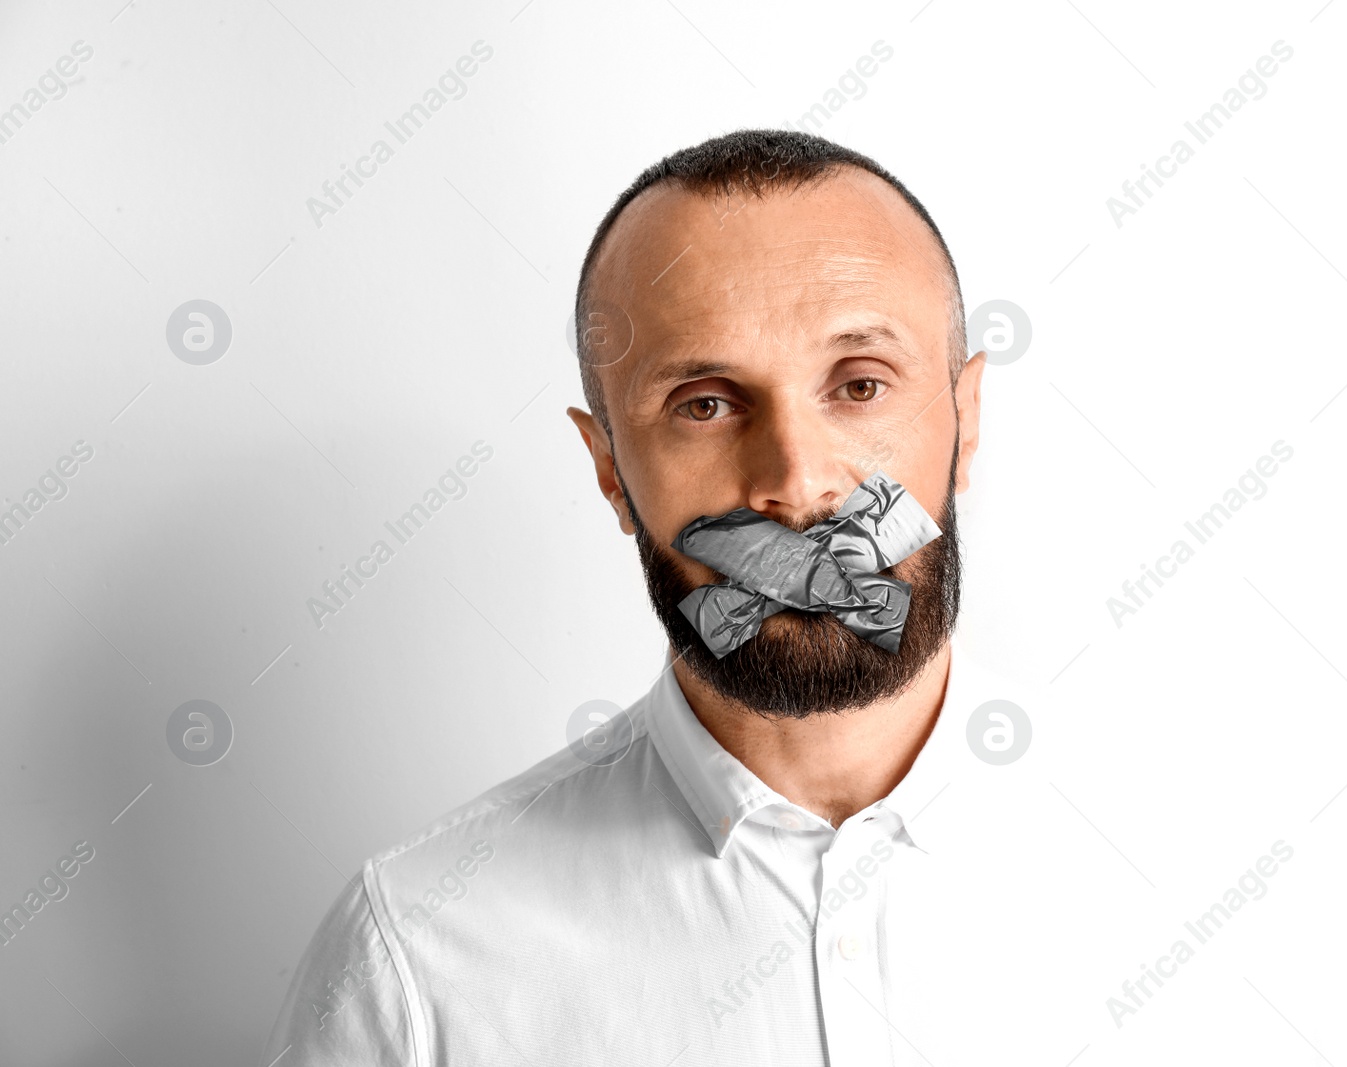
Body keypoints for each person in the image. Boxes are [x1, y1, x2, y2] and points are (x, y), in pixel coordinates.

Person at [261, 128, 1064, 1066]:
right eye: (707, 403)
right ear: (609, 469)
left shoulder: (1202, 863)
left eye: (859, 385)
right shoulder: (414, 961)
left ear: (967, 422)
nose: (797, 486)